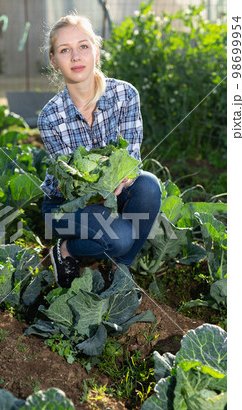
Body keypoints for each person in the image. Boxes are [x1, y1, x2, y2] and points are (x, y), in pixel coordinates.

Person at [38, 14, 161, 288]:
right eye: (64, 50)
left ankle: (121, 273)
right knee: (120, 239)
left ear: (96, 50)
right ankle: (65, 251)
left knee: (149, 186)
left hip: (114, 193)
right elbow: (73, 184)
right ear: (54, 61)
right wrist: (106, 188)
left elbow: (131, 159)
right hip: (64, 207)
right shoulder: (50, 117)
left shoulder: (125, 95)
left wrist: (124, 178)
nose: (75, 56)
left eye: (83, 46)